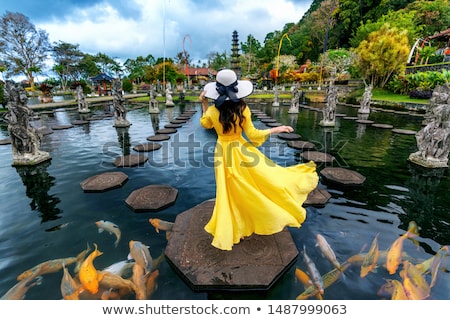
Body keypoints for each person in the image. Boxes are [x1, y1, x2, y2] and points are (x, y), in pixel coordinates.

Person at [199, 69, 319, 251]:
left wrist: (204, 103)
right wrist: (274, 129)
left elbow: (205, 124)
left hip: (223, 152)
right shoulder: (243, 109)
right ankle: (251, 216)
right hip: (241, 150)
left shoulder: (213, 111)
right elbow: (253, 135)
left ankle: (235, 222)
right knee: (253, 183)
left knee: (228, 188)